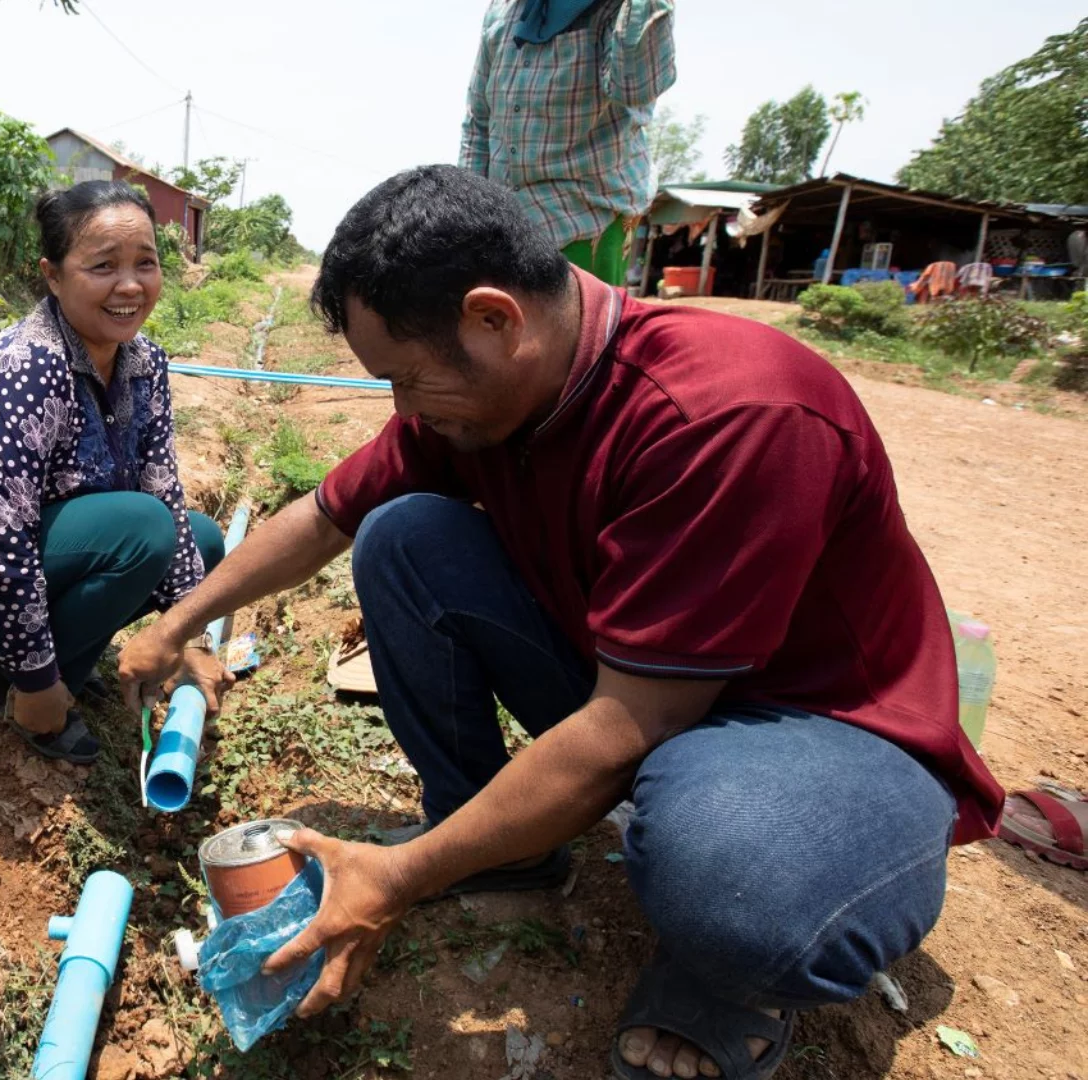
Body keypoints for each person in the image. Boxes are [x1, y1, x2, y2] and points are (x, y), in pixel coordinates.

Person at [118, 166, 1005, 1080]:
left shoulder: (726, 413)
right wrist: (175, 624)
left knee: (736, 892)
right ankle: (494, 850)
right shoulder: (486, 396)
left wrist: (399, 874)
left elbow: (627, 727)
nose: (404, 410)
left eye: (408, 378)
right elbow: (324, 518)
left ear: (496, 319)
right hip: (648, 683)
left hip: (815, 727)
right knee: (400, 536)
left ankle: (724, 975)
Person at [0, 181, 230, 764]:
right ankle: (12, 685)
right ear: (53, 275)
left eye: (146, 263)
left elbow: (162, 480)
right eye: (103, 266)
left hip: (25, 542)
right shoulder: (30, 366)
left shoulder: (143, 362)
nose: (130, 286)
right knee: (146, 529)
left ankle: (42, 658)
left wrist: (187, 636)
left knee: (204, 540)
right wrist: (36, 682)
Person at [461, 0, 675, 286]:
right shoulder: (504, 10)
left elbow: (635, 88)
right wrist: (470, 215)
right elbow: (478, 121)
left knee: (583, 329)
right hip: (505, 228)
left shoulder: (615, 7)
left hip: (586, 216)